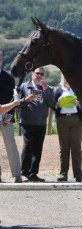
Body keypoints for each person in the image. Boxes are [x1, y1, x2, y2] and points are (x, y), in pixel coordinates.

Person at [18, 67, 55, 182]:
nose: (39, 75)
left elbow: (52, 104)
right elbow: (17, 103)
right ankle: (24, 172)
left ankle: (33, 173)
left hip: (40, 123)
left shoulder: (46, 88)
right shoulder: (24, 86)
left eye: (42, 74)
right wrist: (26, 99)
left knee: (37, 149)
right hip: (27, 122)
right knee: (28, 147)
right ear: (32, 74)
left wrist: (46, 89)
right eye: (37, 73)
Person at [54, 74, 82, 182]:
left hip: (77, 120)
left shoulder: (78, 89)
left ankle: (78, 174)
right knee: (64, 148)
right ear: (62, 78)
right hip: (62, 121)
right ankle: (63, 174)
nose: (67, 79)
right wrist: (58, 104)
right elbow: (54, 106)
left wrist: (78, 103)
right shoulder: (58, 90)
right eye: (65, 77)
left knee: (76, 147)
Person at [0, 50, 23, 183]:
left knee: (10, 144)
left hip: (6, 117)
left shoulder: (8, 78)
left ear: (2, 60)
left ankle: (17, 174)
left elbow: (13, 99)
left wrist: (9, 116)